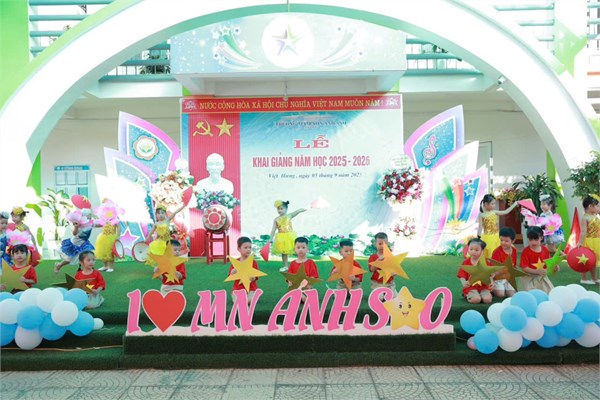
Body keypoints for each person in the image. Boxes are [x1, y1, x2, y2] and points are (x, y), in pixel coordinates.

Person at [269, 200, 307, 272]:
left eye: (281, 208)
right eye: (278, 209)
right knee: (284, 252)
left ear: (286, 209)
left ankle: (302, 262)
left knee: (297, 250)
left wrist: (306, 208)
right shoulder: (276, 219)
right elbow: (273, 229)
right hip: (281, 238)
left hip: (290, 237)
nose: (279, 210)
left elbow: (298, 211)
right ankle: (285, 266)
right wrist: (270, 238)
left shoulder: (289, 216)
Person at [477, 194, 518, 258]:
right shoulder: (482, 215)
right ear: (486, 204)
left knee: (500, 252)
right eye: (492, 204)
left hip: (497, 236)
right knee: (491, 254)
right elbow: (480, 226)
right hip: (488, 238)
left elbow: (505, 212)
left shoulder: (494, 212)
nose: (494, 205)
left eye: (494, 204)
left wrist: (514, 204)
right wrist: (478, 238)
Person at [519, 226, 557, 293]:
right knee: (531, 294)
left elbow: (548, 263)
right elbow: (524, 267)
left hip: (541, 277)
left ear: (541, 238)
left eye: (536, 239)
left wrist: (554, 267)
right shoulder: (526, 251)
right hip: (529, 278)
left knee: (550, 292)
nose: (533, 242)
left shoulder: (545, 250)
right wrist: (537, 271)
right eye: (530, 240)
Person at [458, 238, 492, 304]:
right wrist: (464, 283)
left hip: (484, 287)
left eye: (476, 250)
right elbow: (461, 275)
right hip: (470, 287)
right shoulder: (466, 262)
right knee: (476, 300)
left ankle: (483, 295)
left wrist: (492, 282)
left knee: (487, 300)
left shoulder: (486, 262)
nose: (473, 252)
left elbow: (490, 275)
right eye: (471, 249)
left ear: (482, 251)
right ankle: (468, 295)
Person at [228, 236, 260, 304]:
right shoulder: (235, 262)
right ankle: (237, 296)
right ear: (239, 249)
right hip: (238, 288)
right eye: (245, 248)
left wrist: (253, 277)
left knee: (250, 300)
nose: (248, 249)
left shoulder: (254, 262)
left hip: (251, 289)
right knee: (238, 301)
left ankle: (254, 294)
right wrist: (232, 272)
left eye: (250, 247)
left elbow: (255, 277)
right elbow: (230, 276)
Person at [287, 236, 319, 302]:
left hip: (307, 286)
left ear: (307, 249)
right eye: (298, 248)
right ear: (294, 249)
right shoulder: (292, 263)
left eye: (303, 247)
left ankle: (303, 297)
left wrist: (309, 284)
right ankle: (300, 296)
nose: (300, 250)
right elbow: (289, 277)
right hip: (295, 287)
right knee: (294, 292)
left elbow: (314, 276)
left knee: (309, 295)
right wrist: (290, 282)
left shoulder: (310, 262)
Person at [368, 232, 397, 299]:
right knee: (379, 298)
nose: (382, 246)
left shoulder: (391, 256)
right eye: (380, 244)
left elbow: (395, 269)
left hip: (389, 283)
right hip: (377, 283)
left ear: (387, 244)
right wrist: (377, 261)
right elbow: (371, 269)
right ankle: (380, 294)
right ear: (375, 244)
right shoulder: (373, 257)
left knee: (394, 297)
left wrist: (394, 273)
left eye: (384, 244)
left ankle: (388, 293)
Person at [490, 227, 518, 298]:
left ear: (513, 241)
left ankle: (505, 288)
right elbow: (493, 269)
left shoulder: (514, 250)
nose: (503, 243)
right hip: (498, 277)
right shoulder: (496, 252)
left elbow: (514, 265)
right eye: (501, 240)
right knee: (501, 294)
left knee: (512, 294)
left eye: (506, 241)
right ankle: (493, 290)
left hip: (509, 277)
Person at [578, 195, 600, 284]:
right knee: (586, 260)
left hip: (597, 241)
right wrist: (580, 242)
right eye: (597, 206)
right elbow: (583, 231)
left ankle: (594, 278)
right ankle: (584, 279)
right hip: (589, 242)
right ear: (590, 206)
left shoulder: (596, 216)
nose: (599, 208)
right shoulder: (585, 218)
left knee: (594, 261)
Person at [94, 202, 121, 273]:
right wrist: (94, 225)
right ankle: (105, 266)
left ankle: (111, 267)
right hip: (103, 237)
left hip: (111, 237)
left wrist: (118, 236)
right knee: (103, 252)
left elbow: (119, 227)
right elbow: (100, 225)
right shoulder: (104, 220)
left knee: (110, 252)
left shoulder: (115, 220)